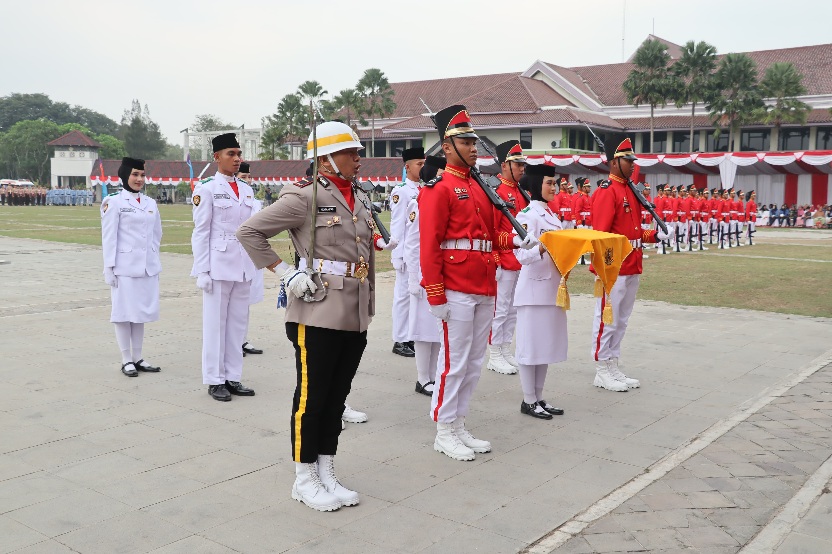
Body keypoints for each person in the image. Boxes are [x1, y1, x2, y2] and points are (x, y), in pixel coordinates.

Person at [237, 121, 392, 512]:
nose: (359, 159)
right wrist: (285, 272)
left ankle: (326, 469)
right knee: (312, 397)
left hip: (354, 307)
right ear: (326, 159)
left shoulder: (356, 195)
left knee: (337, 397)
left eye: (357, 152)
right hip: (317, 308)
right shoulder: (302, 197)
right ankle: (303, 476)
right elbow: (249, 232)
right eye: (350, 153)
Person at [418, 105, 538, 461]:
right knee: (454, 362)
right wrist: (435, 292)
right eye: (465, 141)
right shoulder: (439, 188)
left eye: (474, 141)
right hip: (455, 285)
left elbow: (489, 237)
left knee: (472, 361)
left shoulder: (480, 186)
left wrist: (517, 240)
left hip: (484, 282)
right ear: (447, 145)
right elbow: (430, 246)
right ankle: (443, 428)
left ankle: (458, 423)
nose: (474, 147)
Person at [590, 134, 670, 391]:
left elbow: (634, 233)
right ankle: (602, 368)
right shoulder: (607, 192)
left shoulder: (630, 190)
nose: (633, 165)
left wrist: (656, 234)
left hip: (632, 263)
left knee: (621, 320)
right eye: (627, 160)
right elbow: (601, 236)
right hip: (615, 268)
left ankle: (613, 363)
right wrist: (606, 270)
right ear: (614, 162)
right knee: (607, 320)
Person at [191, 133, 257, 402]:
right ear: (217, 157)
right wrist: (202, 271)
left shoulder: (248, 189)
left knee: (237, 325)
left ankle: (233, 377)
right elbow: (200, 232)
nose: (237, 158)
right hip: (218, 264)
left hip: (243, 264)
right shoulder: (206, 188)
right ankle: (214, 379)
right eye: (231, 154)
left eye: (239, 154)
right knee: (215, 325)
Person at [100, 157, 163, 377]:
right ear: (125, 175)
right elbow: (109, 237)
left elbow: (157, 235)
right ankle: (126, 358)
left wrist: (153, 259)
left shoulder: (149, 203)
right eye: (135, 174)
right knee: (123, 313)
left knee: (140, 313)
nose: (139, 179)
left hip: (146, 267)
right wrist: (109, 268)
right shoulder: (114, 201)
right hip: (124, 267)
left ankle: (138, 357)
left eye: (142, 175)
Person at [514, 164, 566, 420]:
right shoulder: (527, 215)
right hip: (533, 290)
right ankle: (528, 399)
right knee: (530, 347)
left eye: (554, 183)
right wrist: (542, 248)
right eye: (549, 182)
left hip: (551, 288)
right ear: (536, 185)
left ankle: (539, 397)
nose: (553, 187)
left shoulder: (552, 216)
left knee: (544, 346)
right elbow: (521, 255)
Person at [405, 155, 447, 396]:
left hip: (440, 272)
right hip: (422, 274)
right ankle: (423, 378)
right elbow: (412, 243)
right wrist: (413, 278)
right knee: (423, 328)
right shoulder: (418, 200)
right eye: (441, 173)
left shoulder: (440, 199)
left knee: (436, 328)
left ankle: (432, 376)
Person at [487, 140, 528, 375]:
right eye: (517, 164)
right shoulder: (497, 191)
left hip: (519, 259)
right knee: (500, 309)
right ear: (504, 165)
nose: (522, 168)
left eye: (523, 164)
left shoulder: (520, 192)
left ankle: (504, 349)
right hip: (504, 258)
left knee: (513, 310)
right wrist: (495, 258)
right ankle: (494, 354)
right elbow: (491, 229)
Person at [389, 148, 423, 358]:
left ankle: (410, 335)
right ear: (407, 167)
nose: (422, 167)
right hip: (405, 252)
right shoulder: (401, 190)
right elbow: (398, 224)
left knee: (415, 296)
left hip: (418, 252)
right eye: (419, 164)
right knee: (402, 296)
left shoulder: (424, 188)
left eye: (423, 163)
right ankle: (400, 339)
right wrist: (397, 255)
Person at [236, 162, 265, 357]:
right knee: (235, 303)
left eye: (248, 177)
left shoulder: (255, 201)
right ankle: (233, 342)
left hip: (251, 255)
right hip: (235, 255)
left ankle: (243, 339)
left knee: (246, 302)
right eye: (243, 177)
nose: (247, 180)